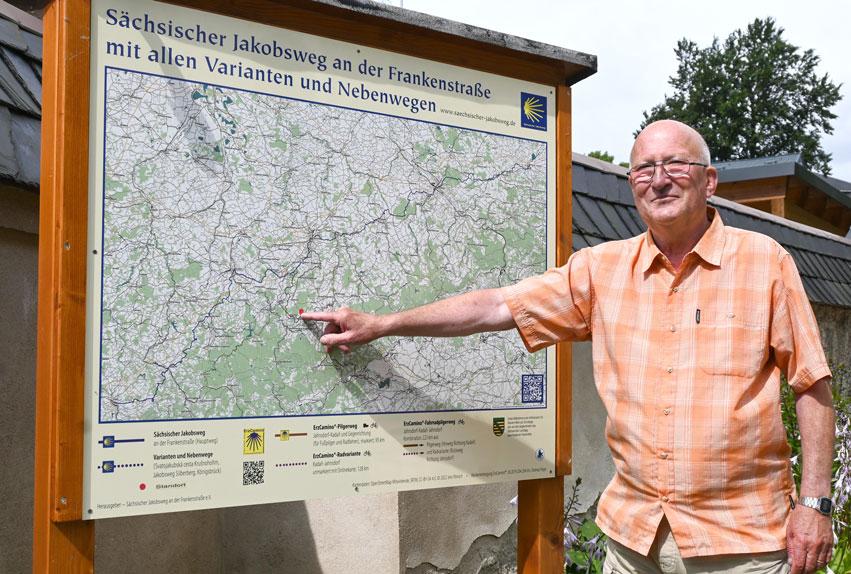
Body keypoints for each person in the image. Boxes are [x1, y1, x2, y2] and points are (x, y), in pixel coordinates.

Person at [302, 120, 835, 574]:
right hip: (635, 540)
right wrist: (382, 323)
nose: (659, 179)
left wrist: (814, 504)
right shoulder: (602, 270)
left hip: (741, 544)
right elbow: (495, 307)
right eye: (643, 169)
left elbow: (811, 384)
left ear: (709, 180)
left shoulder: (765, 262)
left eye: (675, 164)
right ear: (631, 186)